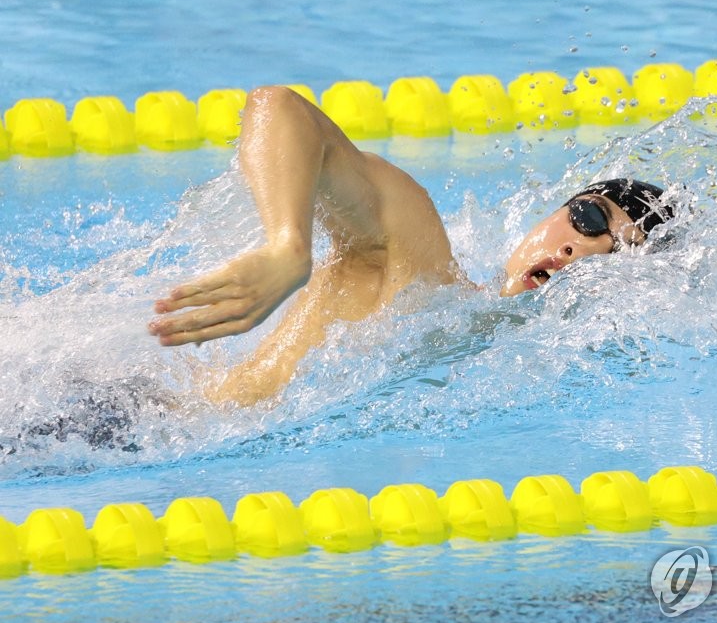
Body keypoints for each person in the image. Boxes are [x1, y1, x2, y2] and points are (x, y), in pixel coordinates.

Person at [147, 86, 674, 405]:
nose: (579, 251)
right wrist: (288, 247)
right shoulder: (420, 264)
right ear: (556, 210)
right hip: (123, 421)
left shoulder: (506, 363)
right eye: (587, 218)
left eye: (617, 255)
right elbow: (278, 106)